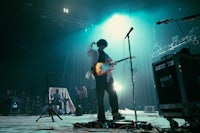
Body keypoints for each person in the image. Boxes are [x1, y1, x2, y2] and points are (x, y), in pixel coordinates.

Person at [87, 39, 125, 122]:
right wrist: (91, 44)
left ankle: (115, 114)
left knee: (113, 94)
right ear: (99, 45)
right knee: (100, 97)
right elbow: (88, 51)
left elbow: (108, 66)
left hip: (108, 77)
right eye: (102, 45)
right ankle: (101, 116)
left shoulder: (106, 55)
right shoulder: (94, 52)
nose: (103, 47)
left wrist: (112, 64)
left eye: (104, 46)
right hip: (99, 77)